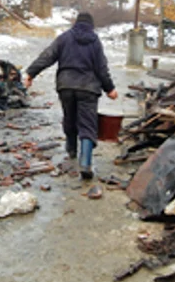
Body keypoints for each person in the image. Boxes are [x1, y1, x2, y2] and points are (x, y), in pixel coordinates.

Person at [23, 12, 118, 179]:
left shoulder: (65, 38)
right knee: (88, 124)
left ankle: (72, 150)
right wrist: (109, 89)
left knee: (70, 118)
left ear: (76, 23)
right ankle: (86, 164)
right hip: (88, 88)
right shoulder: (95, 42)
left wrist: (31, 73)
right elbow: (101, 68)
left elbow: (47, 56)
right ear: (91, 25)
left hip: (65, 86)